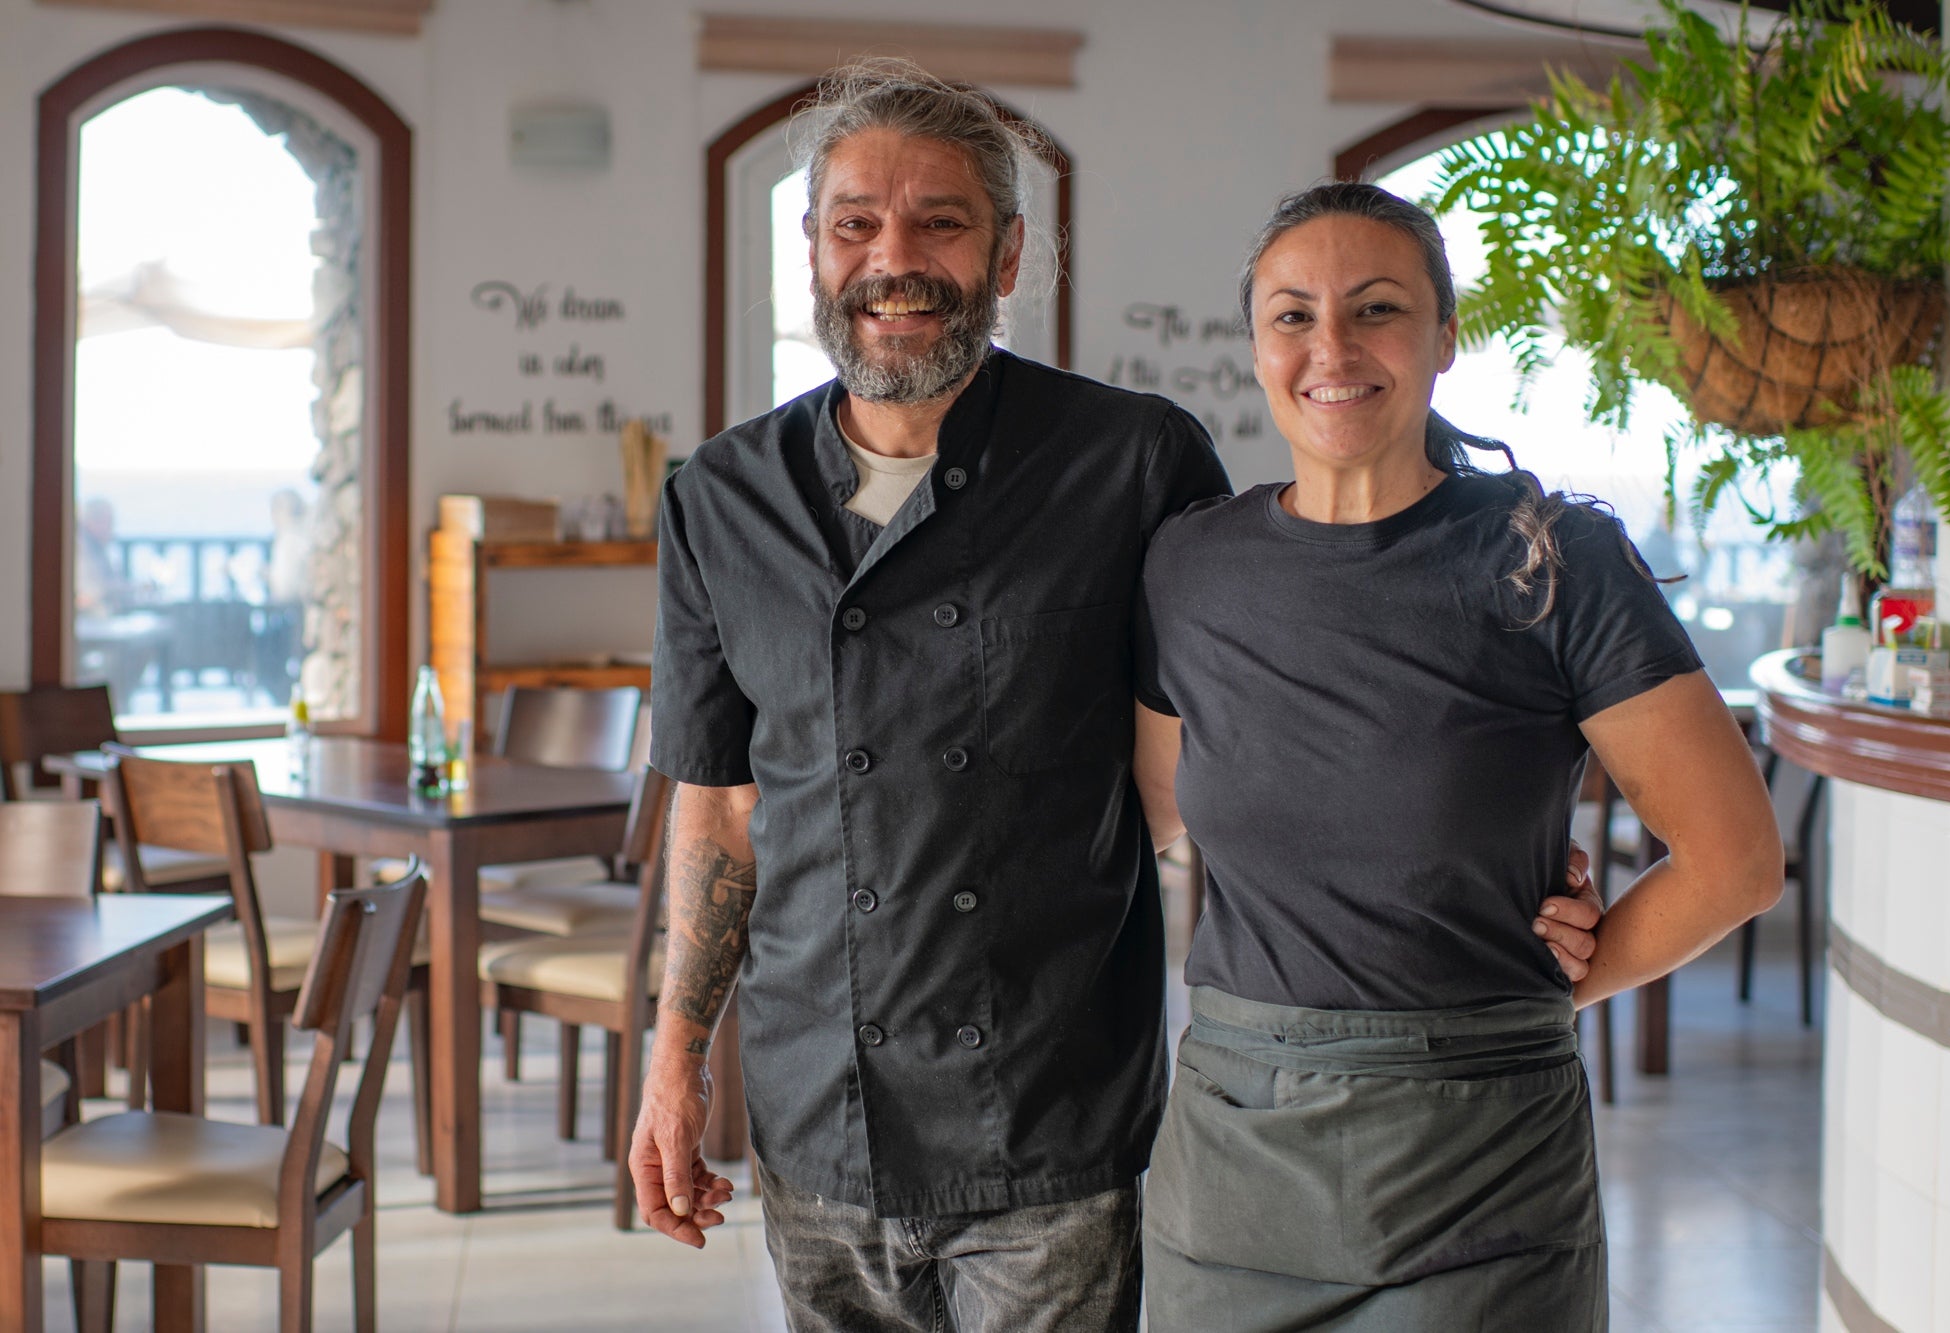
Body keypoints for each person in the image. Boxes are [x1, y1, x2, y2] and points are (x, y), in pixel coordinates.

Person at [632, 65, 1604, 1332]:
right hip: (819, 1104)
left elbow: (1265, 716)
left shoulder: (1130, 460)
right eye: (855, 222)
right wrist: (671, 1061)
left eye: (941, 220)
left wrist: (1481, 853)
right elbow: (716, 810)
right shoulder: (717, 497)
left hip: (1053, 1108)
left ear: (1009, 252)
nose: (895, 258)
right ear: (811, 248)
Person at [1131, 181, 1785, 1330]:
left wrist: (1563, 978)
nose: (1330, 347)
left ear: (1441, 337)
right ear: (1254, 346)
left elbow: (1731, 858)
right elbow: (1146, 815)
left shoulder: (1548, 558)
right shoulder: (1187, 568)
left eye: (1374, 309)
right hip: (1234, 1153)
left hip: (1479, 1158)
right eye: (1291, 315)